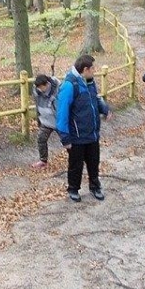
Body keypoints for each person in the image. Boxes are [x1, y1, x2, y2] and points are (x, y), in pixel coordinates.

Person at [56, 54, 111, 202]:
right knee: (76, 165)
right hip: (77, 136)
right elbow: (62, 113)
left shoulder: (90, 81)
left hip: (92, 133)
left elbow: (95, 99)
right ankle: (73, 189)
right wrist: (65, 138)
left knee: (94, 162)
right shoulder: (69, 85)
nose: (94, 70)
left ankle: (95, 186)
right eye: (92, 68)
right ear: (85, 69)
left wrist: (104, 109)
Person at [31, 74, 60, 168]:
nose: (40, 89)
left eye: (41, 87)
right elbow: (37, 106)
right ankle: (43, 160)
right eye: (38, 87)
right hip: (46, 121)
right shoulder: (37, 92)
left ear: (47, 84)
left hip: (59, 121)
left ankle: (76, 158)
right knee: (41, 139)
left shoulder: (58, 90)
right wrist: (39, 119)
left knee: (67, 141)